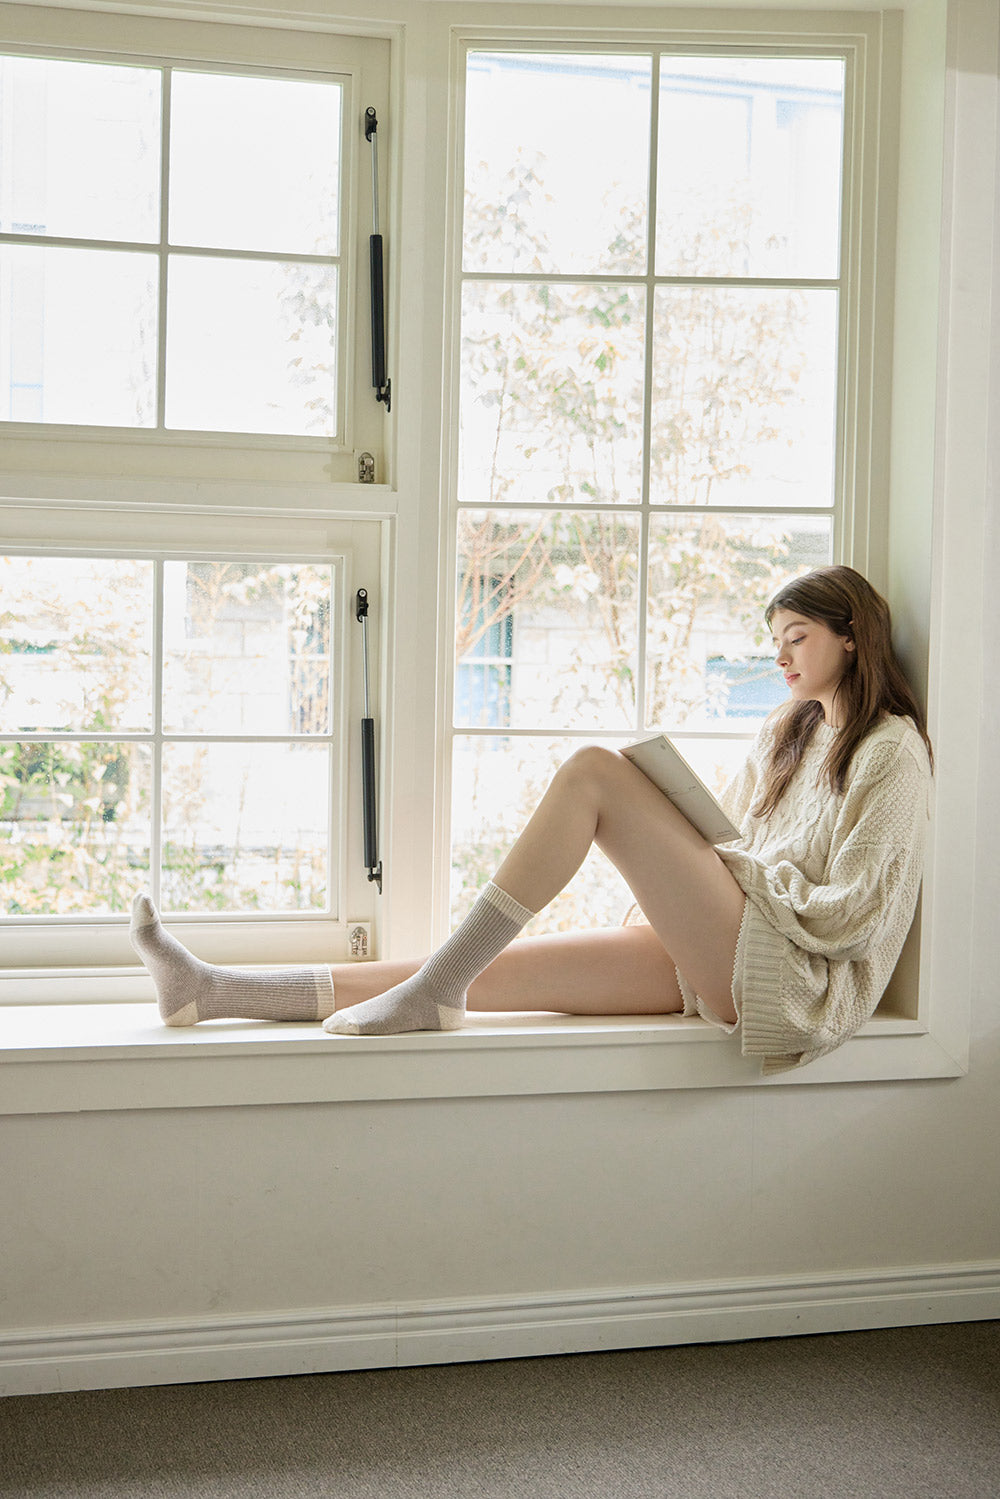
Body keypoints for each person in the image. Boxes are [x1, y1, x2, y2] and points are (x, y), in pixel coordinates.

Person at [130, 565, 933, 1074]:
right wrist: (718, 853)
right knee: (479, 968)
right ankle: (213, 989)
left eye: (796, 638)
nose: (781, 658)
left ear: (853, 638)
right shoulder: (786, 729)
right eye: (775, 642)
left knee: (594, 771)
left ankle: (434, 989)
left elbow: (857, 910)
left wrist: (737, 871)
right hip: (725, 941)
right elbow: (749, 846)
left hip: (787, 976)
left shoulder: (890, 751)